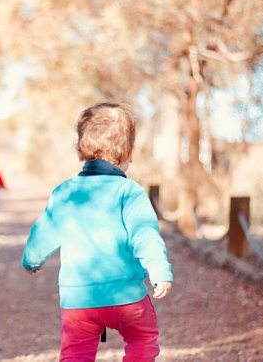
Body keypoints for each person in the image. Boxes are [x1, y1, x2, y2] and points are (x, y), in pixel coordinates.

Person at [21, 102, 173, 362]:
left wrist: (31, 259)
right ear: (131, 152)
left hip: (79, 300)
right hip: (127, 297)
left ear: (80, 152)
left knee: (76, 353)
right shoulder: (130, 192)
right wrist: (159, 269)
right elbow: (144, 234)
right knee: (142, 339)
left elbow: (44, 231)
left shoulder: (65, 192)